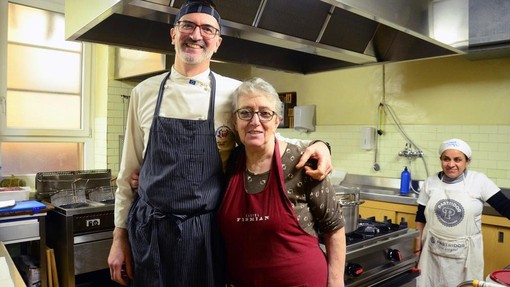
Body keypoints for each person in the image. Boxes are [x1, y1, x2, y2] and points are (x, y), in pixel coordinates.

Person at [107, 1, 333, 286]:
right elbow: (128, 173)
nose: (196, 35)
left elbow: (264, 132)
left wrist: (319, 144)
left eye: (207, 29)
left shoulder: (231, 92)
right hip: (151, 234)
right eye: (187, 25)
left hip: (206, 234)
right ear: (173, 34)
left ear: (217, 42)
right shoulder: (144, 92)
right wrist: (119, 238)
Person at [217, 77, 346, 287]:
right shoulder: (228, 163)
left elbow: (334, 227)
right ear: (235, 120)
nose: (255, 121)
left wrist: (336, 282)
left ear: (277, 121)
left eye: (265, 113)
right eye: (245, 112)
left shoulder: (302, 163)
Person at [415, 138, 510, 287]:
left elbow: (505, 206)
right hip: (432, 251)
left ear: (467, 161)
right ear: (441, 160)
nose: (451, 164)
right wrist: (417, 243)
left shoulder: (479, 181)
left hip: (465, 255)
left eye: (457, 159)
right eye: (446, 159)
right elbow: (420, 216)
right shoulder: (431, 182)